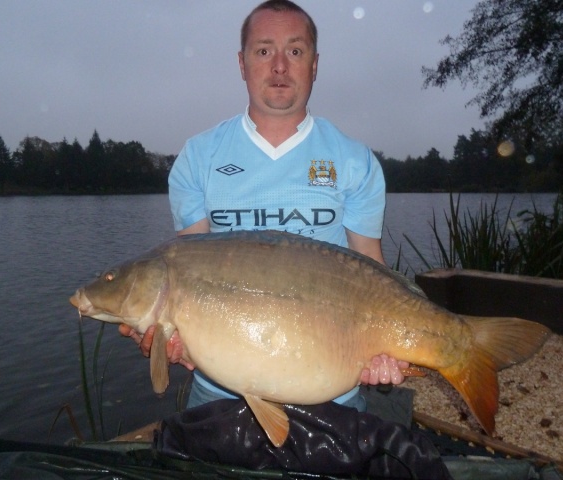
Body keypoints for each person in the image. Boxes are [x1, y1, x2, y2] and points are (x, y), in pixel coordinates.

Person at [120, 0, 410, 415]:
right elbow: (187, 276)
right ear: (241, 63)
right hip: (220, 395)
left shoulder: (353, 161)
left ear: (314, 64)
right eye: (263, 51)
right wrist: (171, 337)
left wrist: (387, 351)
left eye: (294, 51)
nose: (279, 66)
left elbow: (372, 270)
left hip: (333, 393)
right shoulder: (198, 159)